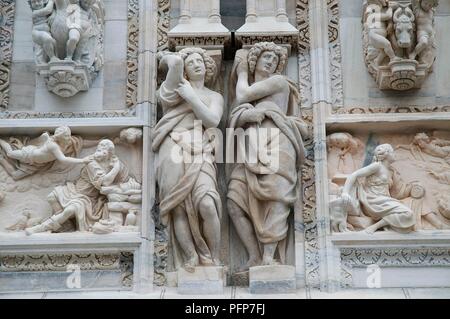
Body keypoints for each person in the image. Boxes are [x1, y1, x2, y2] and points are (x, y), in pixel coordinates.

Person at [226, 42, 307, 269]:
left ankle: (269, 258)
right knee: (234, 201)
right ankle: (253, 254)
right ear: (255, 60)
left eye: (274, 58)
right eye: (265, 57)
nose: (270, 61)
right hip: (251, 149)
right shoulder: (251, 100)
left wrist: (241, 72)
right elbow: (235, 117)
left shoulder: (278, 82)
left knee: (276, 197)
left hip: (279, 146)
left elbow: (242, 94)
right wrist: (247, 116)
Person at [152, 48, 224, 272]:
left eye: (200, 61)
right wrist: (169, 58)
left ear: (207, 67)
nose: (196, 64)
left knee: (207, 203)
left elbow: (212, 120)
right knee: (179, 208)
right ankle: (190, 257)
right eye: (190, 62)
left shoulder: (214, 96)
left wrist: (192, 98)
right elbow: (174, 64)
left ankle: (212, 256)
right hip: (171, 147)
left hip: (200, 150)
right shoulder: (174, 88)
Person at [25, 139, 129, 234]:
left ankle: (43, 227)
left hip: (88, 199)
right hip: (74, 190)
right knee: (52, 197)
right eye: (98, 149)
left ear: (109, 154)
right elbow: (105, 181)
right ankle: (66, 225)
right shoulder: (91, 162)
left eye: (104, 151)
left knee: (70, 209)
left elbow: (114, 180)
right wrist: (116, 168)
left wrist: (116, 167)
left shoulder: (111, 163)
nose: (99, 153)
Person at [340, 144, 416, 234]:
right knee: (408, 213)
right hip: (373, 200)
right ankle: (376, 226)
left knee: (408, 215)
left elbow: (398, 192)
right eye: (392, 152)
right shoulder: (377, 166)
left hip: (385, 200)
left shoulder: (391, 171)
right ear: (386, 154)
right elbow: (354, 175)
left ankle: (375, 226)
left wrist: (412, 188)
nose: (394, 154)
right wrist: (345, 192)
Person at [0, 126, 92, 180]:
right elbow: (63, 159)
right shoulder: (53, 146)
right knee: (10, 153)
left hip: (35, 164)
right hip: (29, 155)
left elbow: (81, 143)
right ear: (61, 137)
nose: (68, 138)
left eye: (68, 136)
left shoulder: (65, 143)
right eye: (67, 136)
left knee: (15, 176)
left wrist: (98, 141)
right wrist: (82, 160)